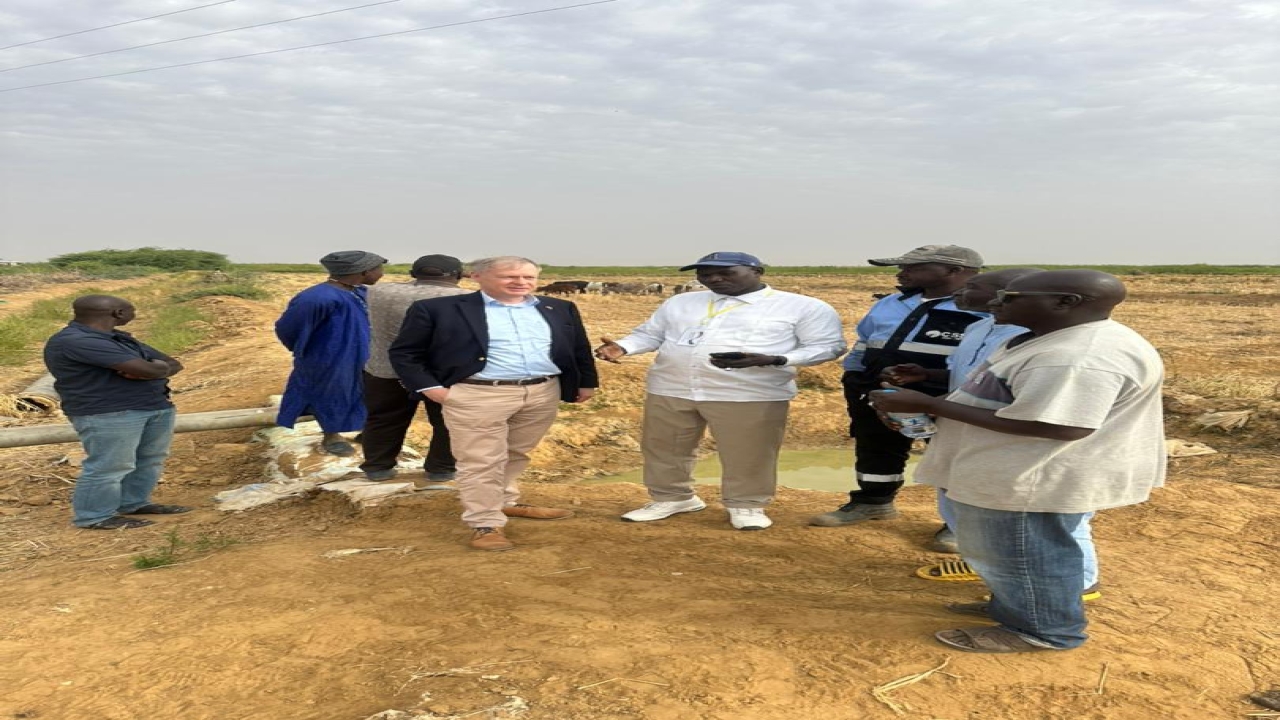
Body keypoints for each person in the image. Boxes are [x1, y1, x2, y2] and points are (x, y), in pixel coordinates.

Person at [870, 270, 1166, 653]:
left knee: (1029, 557)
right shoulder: (1046, 339)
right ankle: (1017, 609)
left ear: (1066, 302)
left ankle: (1044, 631)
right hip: (1013, 470)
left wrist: (928, 405)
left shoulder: (1078, 357)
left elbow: (1058, 425)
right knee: (1008, 555)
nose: (995, 302)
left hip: (1035, 477)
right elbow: (1008, 387)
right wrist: (930, 378)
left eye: (1009, 297)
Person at [596, 252, 846, 530]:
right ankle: (673, 498)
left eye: (726, 273)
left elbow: (828, 346)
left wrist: (775, 359)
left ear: (757, 271)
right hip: (672, 387)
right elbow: (650, 334)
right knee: (665, 447)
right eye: (704, 274)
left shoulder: (802, 307)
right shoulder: (681, 302)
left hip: (747, 393)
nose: (714, 279)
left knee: (749, 451)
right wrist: (623, 346)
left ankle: (747, 505)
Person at [389, 256, 598, 552]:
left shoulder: (559, 307)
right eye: (510, 277)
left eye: (528, 277)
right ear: (477, 276)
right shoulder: (439, 309)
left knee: (516, 452)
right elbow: (405, 353)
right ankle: (485, 523)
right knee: (481, 460)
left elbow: (578, 347)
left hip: (541, 392)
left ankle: (504, 502)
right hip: (477, 394)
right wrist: (433, 390)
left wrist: (586, 382)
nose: (521, 283)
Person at [809, 244, 986, 527]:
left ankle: (960, 525)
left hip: (947, 396)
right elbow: (865, 342)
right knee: (876, 447)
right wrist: (854, 378)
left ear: (954, 271)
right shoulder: (890, 302)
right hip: (877, 390)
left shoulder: (983, 309)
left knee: (954, 456)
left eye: (913, 268)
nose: (902, 273)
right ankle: (872, 502)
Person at [881, 267, 1044, 553]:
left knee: (1000, 501)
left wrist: (930, 404)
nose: (959, 292)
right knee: (952, 484)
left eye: (972, 287)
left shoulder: (1030, 336)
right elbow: (971, 377)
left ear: (1003, 294)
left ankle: (1069, 582)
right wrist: (925, 375)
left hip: (997, 429)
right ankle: (973, 549)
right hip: (959, 421)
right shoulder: (977, 327)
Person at [43, 295, 190, 529]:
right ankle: (94, 516)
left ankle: (132, 502)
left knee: (149, 459)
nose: (134, 314)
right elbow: (145, 368)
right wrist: (150, 369)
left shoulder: (116, 338)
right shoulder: (76, 341)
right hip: (109, 413)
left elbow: (172, 363)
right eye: (131, 310)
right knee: (110, 465)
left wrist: (156, 368)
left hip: (152, 406)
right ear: (118, 313)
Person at [360, 254, 469, 481]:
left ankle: (378, 467)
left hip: (385, 369)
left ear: (412, 274)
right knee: (450, 422)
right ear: (459, 275)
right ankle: (442, 469)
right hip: (443, 374)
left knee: (384, 419)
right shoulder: (467, 298)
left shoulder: (379, 292)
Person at [275, 250, 386, 456]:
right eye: (378, 269)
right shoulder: (317, 298)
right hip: (330, 357)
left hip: (364, 355)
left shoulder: (359, 291)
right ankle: (332, 434)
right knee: (331, 393)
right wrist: (309, 351)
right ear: (363, 271)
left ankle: (365, 430)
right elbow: (288, 328)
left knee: (367, 391)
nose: (381, 273)